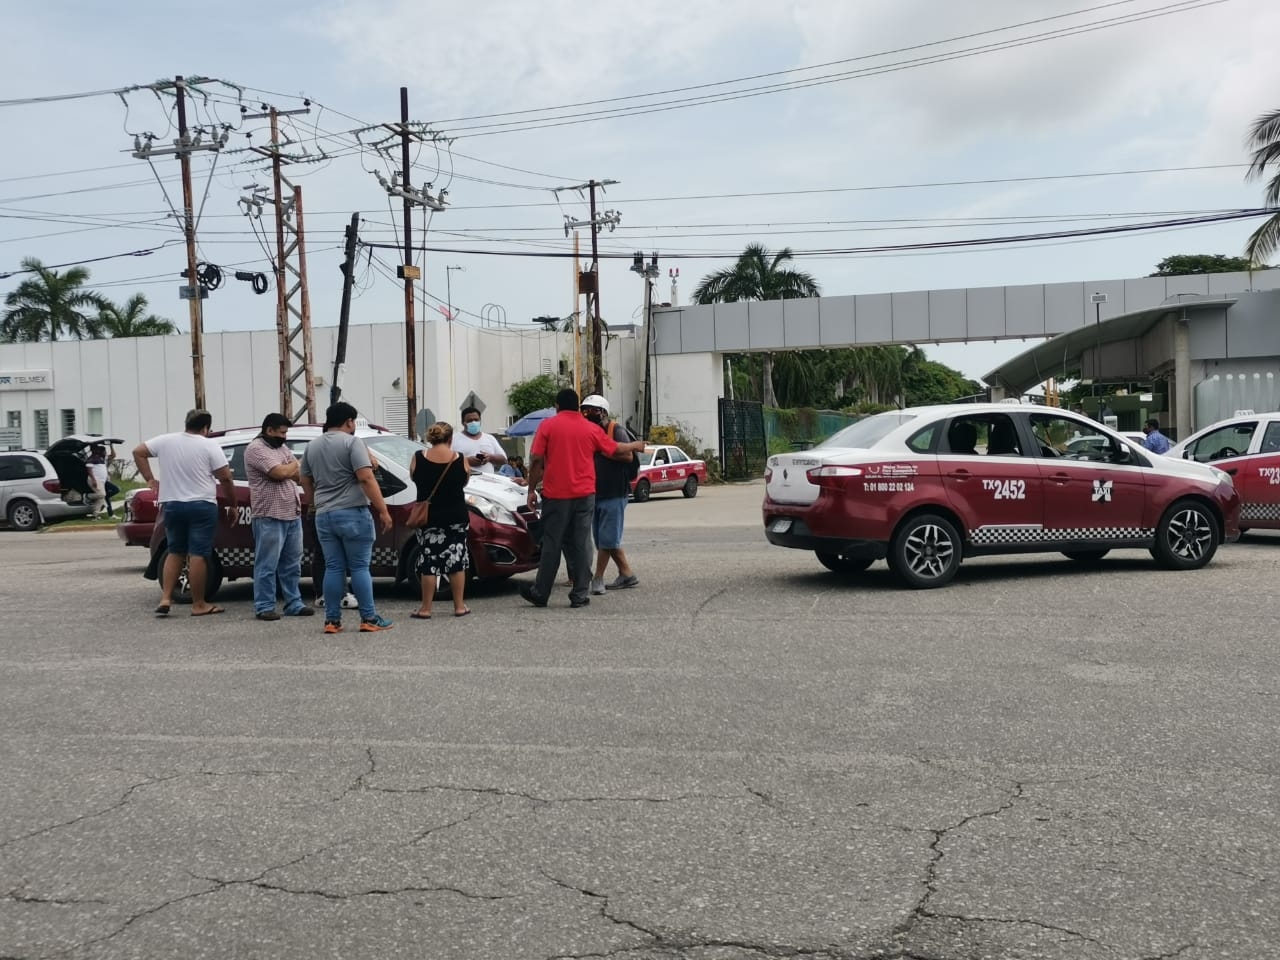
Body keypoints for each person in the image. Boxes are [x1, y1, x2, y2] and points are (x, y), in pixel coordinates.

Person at [520, 388, 647, 609]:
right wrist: (635, 445)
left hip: (556, 495)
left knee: (552, 543)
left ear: (557, 406)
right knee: (581, 543)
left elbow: (537, 459)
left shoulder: (548, 426)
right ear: (578, 407)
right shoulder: (590, 429)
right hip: (585, 495)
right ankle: (580, 594)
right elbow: (615, 448)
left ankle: (540, 593)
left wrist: (531, 489)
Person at [299, 402, 393, 634]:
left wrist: (314, 502)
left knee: (333, 567)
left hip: (324, 515)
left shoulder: (312, 446)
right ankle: (368, 618)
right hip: (353, 512)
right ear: (349, 422)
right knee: (360, 567)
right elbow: (366, 478)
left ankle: (332, 620)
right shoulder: (353, 443)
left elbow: (305, 480)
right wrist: (383, 510)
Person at [132, 409, 237, 618]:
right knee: (198, 553)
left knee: (175, 551)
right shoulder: (209, 445)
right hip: (201, 505)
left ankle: (166, 598)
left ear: (186, 423)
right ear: (206, 428)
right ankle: (198, 604)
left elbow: (138, 451)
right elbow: (225, 477)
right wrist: (233, 504)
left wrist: (150, 479)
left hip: (172, 504)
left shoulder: (166, 441)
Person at [245, 413, 314, 621]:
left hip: (291, 513)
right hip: (269, 514)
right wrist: (296, 463)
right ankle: (264, 605)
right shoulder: (256, 449)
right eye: (282, 432)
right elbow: (280, 473)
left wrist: (292, 466)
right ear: (269, 430)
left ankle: (294, 603)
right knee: (267, 564)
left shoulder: (281, 448)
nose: (285, 436)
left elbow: (296, 474)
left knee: (292, 563)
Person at [409, 422, 471, 619]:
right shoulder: (460, 459)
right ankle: (459, 606)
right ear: (450, 439)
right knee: (456, 560)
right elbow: (465, 480)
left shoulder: (418, 457)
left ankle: (426, 608)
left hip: (429, 518)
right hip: (456, 516)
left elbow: (413, 476)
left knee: (429, 560)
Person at [581, 394, 640, 595]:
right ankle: (627, 574)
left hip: (614, 491)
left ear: (604, 412)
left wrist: (601, 450)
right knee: (604, 539)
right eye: (585, 410)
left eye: (593, 410)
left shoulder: (616, 430)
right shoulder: (587, 432)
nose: (588, 414)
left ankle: (597, 579)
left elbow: (628, 455)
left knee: (607, 538)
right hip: (595, 492)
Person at [452, 406, 508, 475]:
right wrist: (466, 461)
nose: (473, 422)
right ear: (463, 422)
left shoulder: (489, 438)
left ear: (480, 420)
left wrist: (490, 457)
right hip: (466, 483)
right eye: (470, 420)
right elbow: (446, 462)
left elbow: (504, 460)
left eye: (476, 420)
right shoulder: (453, 439)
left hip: (488, 483)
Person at [87, 443, 118, 518]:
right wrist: (94, 480)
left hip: (103, 480)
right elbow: (89, 469)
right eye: (104, 451)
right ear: (100, 452)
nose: (105, 452)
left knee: (107, 494)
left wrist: (111, 445)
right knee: (104, 494)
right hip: (97, 480)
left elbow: (113, 455)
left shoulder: (103, 458)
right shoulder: (92, 458)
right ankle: (88, 497)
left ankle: (100, 514)